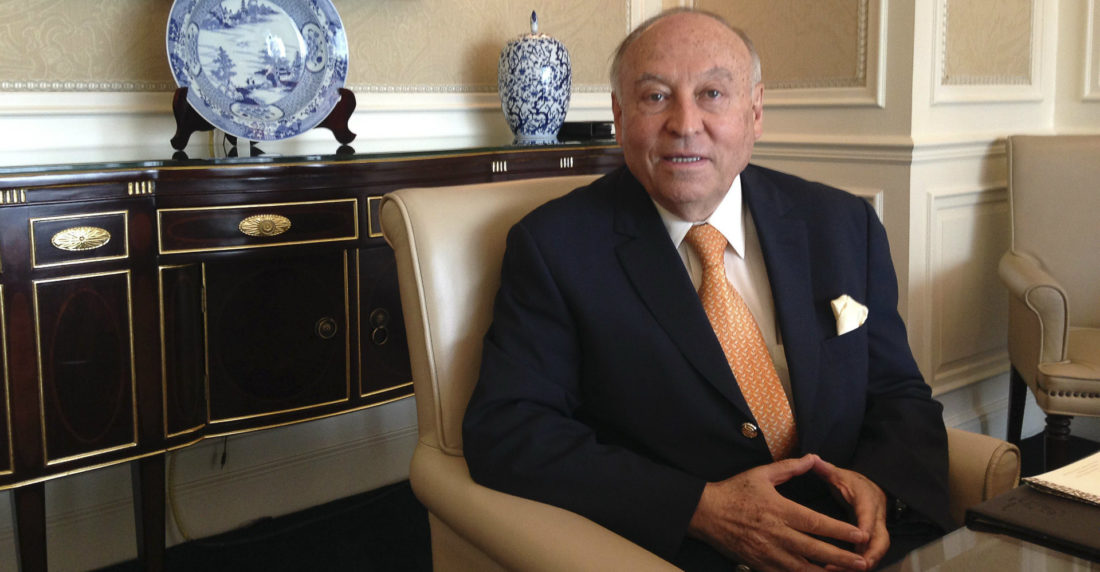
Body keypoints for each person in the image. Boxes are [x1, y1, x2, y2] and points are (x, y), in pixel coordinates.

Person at [463, 8, 952, 571]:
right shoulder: (554, 247)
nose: (685, 123)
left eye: (712, 93)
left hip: (858, 543)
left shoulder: (843, 225)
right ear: (619, 116)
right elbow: (509, 428)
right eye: (655, 97)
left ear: (755, 111)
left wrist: (880, 487)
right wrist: (699, 509)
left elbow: (897, 391)